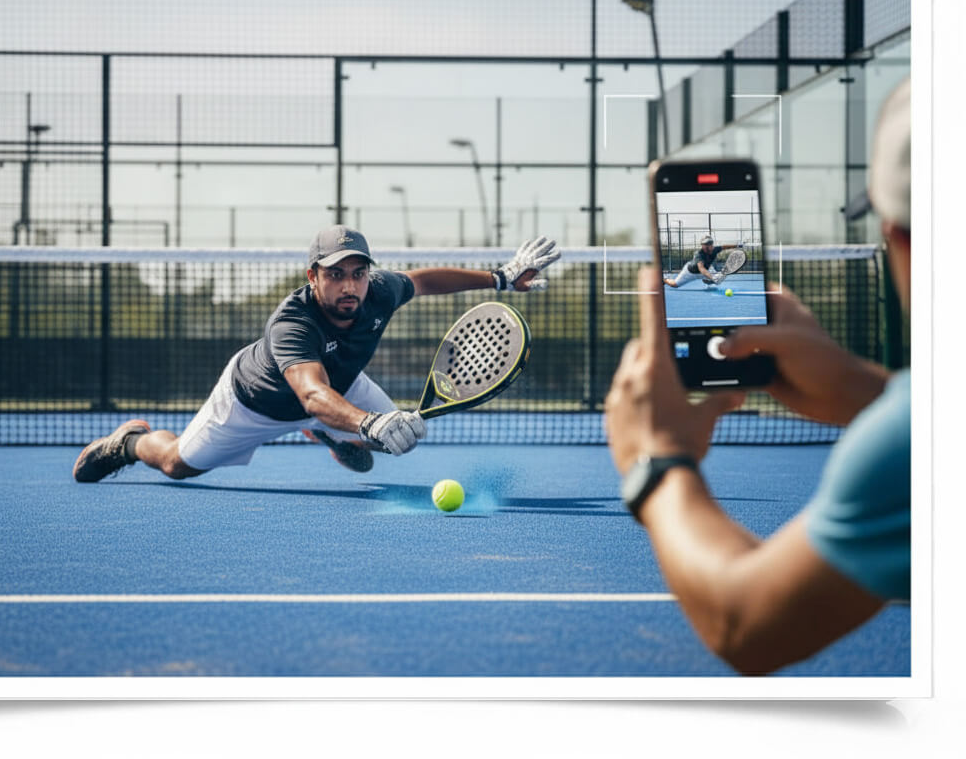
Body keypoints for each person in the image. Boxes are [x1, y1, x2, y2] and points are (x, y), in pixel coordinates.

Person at [605, 76, 911, 675]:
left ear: (897, 236)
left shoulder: (904, 449)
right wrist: (868, 394)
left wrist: (658, 463)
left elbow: (743, 621)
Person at [73, 226, 560, 483]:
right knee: (180, 465)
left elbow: (426, 280)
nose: (349, 285)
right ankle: (131, 442)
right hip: (255, 402)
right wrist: (367, 421)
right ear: (313, 276)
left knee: (391, 440)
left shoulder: (379, 290)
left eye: (357, 273)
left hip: (338, 390)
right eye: (335, 274)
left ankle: (333, 436)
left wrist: (501, 277)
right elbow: (310, 390)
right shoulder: (291, 324)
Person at [662, 235, 742, 287]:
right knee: (675, 285)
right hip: (690, 272)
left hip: (706, 270)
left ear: (711, 245)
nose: (705, 247)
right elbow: (701, 268)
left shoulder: (715, 250)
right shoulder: (699, 254)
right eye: (704, 245)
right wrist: (712, 277)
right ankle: (664, 279)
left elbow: (725, 247)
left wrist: (737, 245)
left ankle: (709, 281)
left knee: (720, 278)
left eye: (708, 245)